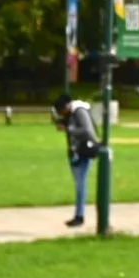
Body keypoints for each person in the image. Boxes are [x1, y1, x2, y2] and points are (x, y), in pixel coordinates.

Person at [52, 93, 101, 228]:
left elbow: (87, 131)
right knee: (79, 184)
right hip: (75, 152)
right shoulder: (71, 114)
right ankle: (79, 214)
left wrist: (68, 129)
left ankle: (79, 216)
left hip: (83, 151)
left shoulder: (79, 112)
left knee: (81, 185)